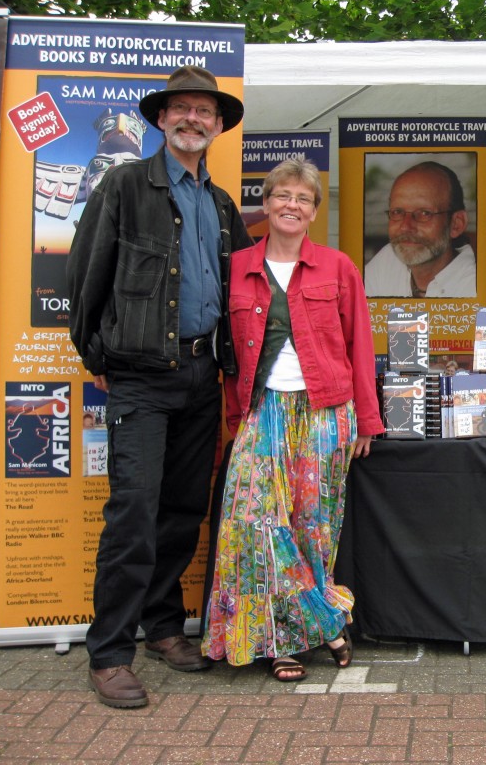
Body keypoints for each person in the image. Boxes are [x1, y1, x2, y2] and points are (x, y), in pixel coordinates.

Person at [67, 65, 251, 709]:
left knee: (180, 511)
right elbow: (86, 274)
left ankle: (164, 629)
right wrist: (99, 353)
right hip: (141, 379)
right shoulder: (124, 185)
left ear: (219, 124)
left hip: (204, 376)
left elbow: (240, 291)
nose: (193, 119)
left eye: (205, 111)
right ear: (161, 119)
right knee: (133, 513)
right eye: (182, 109)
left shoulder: (223, 204)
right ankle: (110, 652)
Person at [202, 157, 384, 682]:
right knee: (255, 524)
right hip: (264, 409)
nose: (291, 205)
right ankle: (326, 622)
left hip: (326, 410)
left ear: (313, 212)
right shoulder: (236, 266)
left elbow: (360, 345)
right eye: (283, 195)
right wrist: (236, 415)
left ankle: (287, 640)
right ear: (266, 201)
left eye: (303, 199)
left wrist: (367, 421)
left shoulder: (337, 267)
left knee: (312, 527)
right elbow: (227, 350)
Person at [363, 161, 477, 298]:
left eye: (424, 213)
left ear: (456, 224)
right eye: (397, 212)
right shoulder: (387, 262)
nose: (406, 226)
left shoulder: (476, 284)